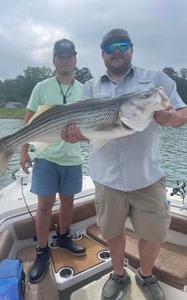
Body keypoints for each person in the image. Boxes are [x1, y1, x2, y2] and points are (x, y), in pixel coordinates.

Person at [61, 29, 187, 300]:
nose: (116, 51)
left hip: (147, 176)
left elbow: (181, 110)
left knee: (152, 234)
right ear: (103, 54)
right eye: (110, 47)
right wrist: (74, 134)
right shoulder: (91, 87)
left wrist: (174, 118)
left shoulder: (154, 80)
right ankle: (118, 274)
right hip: (106, 178)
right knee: (112, 231)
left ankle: (145, 274)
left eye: (122, 45)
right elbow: (84, 128)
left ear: (131, 48)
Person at [20, 38, 86, 284]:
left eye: (70, 56)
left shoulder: (85, 89)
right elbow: (27, 122)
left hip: (73, 158)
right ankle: (41, 250)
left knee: (68, 201)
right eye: (61, 56)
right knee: (45, 205)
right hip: (46, 157)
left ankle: (64, 236)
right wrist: (23, 152)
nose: (66, 60)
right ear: (54, 60)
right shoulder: (41, 87)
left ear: (75, 59)